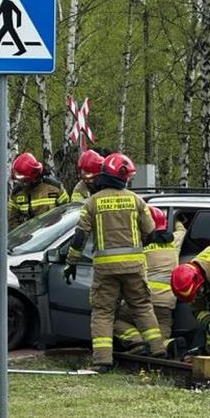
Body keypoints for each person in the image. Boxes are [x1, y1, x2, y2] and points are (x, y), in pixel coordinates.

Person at [64, 153, 166, 372]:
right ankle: (158, 349)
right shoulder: (136, 200)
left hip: (105, 269)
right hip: (134, 267)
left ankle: (102, 361)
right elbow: (150, 232)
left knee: (103, 312)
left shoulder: (92, 202)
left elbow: (80, 236)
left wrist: (71, 262)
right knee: (142, 307)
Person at [113, 206, 187, 356]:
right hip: (167, 302)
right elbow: (182, 231)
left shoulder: (138, 245)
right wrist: (178, 219)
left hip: (144, 300)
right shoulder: (174, 242)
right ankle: (170, 344)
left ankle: (137, 341)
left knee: (113, 321)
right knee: (160, 339)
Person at [9, 152, 69, 230]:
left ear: (34, 177)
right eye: (19, 181)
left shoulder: (55, 188)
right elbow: (11, 219)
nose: (22, 184)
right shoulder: (16, 194)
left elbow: (67, 210)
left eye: (25, 181)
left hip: (54, 232)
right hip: (28, 237)